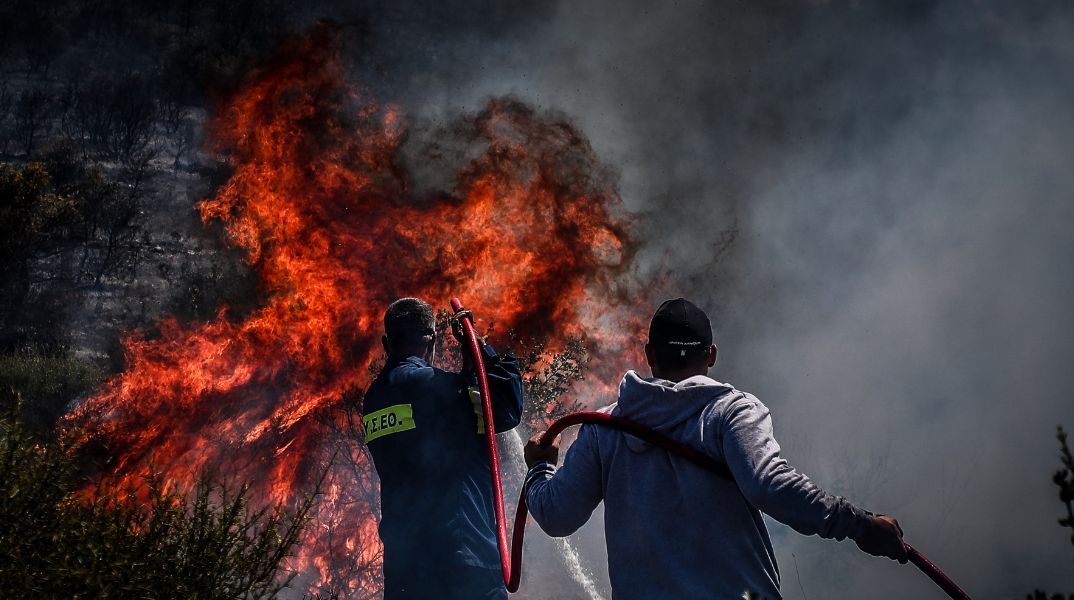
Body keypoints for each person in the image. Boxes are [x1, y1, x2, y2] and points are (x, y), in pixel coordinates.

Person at [523, 298, 907, 600]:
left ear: (649, 354)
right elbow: (770, 485)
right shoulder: (732, 411)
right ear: (711, 355)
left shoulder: (604, 427)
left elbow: (557, 516)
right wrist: (859, 524)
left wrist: (540, 468)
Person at [363, 297, 523, 599]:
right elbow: (505, 409)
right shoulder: (434, 388)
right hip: (462, 558)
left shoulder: (374, 398)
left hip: (404, 569)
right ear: (432, 339)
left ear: (386, 343)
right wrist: (480, 349)